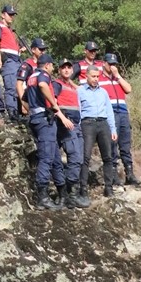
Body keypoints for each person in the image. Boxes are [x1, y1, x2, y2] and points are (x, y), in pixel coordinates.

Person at [26, 53, 73, 209]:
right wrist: (54, 104)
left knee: (55, 159)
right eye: (52, 65)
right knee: (46, 158)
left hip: (37, 118)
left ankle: (63, 195)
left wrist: (32, 111)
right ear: (47, 65)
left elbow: (25, 98)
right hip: (45, 120)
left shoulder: (31, 76)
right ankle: (42, 198)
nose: (52, 68)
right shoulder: (43, 75)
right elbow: (43, 86)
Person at [100, 52, 141, 186]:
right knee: (112, 144)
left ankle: (129, 173)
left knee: (125, 144)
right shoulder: (99, 79)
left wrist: (117, 76)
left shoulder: (118, 79)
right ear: (104, 64)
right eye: (110, 64)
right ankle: (113, 175)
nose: (112, 66)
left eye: (114, 64)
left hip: (123, 113)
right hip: (110, 113)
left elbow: (128, 89)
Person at [78, 65, 117, 198]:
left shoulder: (103, 92)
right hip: (87, 123)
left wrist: (113, 129)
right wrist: (78, 127)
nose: (96, 79)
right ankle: (83, 188)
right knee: (85, 157)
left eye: (97, 77)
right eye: (93, 76)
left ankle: (109, 187)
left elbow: (109, 111)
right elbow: (78, 110)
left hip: (103, 123)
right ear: (86, 76)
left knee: (108, 157)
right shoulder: (80, 91)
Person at [54, 59, 89, 208]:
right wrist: (62, 118)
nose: (67, 70)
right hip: (66, 124)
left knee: (80, 159)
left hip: (77, 124)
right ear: (59, 70)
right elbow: (52, 102)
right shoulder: (57, 84)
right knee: (74, 158)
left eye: (69, 67)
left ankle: (70, 192)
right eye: (64, 68)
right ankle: (69, 193)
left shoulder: (74, 87)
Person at [0, 5, 26, 122]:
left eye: (12, 15)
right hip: (9, 60)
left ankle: (19, 111)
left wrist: (19, 50)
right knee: (11, 86)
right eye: (9, 14)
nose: (11, 17)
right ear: (3, 15)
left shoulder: (11, 31)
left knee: (19, 86)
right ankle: (12, 113)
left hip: (16, 59)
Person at [16, 36, 47, 117]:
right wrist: (23, 103)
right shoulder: (27, 65)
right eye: (40, 49)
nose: (43, 52)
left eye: (44, 49)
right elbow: (19, 84)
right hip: (30, 101)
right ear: (33, 50)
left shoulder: (45, 66)